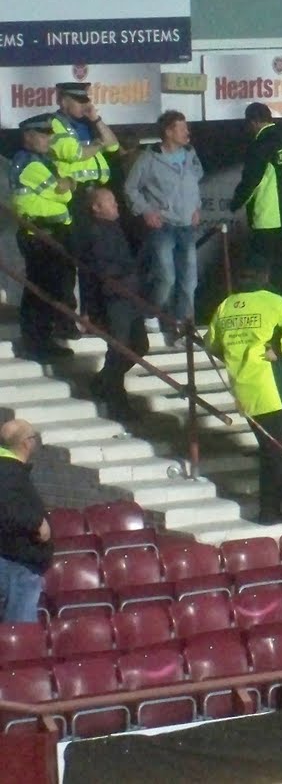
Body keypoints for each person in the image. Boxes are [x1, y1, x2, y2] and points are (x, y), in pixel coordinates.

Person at [205, 267, 282, 524]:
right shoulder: (271, 300)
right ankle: (281, 505)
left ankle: (274, 507)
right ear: (264, 278)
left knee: (269, 449)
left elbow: (211, 344)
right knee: (275, 449)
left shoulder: (225, 306)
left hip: (243, 388)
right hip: (271, 384)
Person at [71, 188, 147, 422]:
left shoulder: (114, 227)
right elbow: (96, 270)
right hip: (112, 299)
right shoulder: (92, 232)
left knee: (139, 346)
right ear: (96, 207)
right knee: (120, 349)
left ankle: (103, 381)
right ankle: (116, 402)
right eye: (111, 203)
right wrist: (86, 310)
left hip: (129, 297)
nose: (117, 206)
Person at [125, 110, 203, 330]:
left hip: (187, 225)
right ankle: (151, 313)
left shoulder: (190, 154)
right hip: (163, 227)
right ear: (169, 132)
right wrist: (146, 211)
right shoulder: (148, 159)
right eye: (182, 128)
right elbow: (131, 189)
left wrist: (196, 206)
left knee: (189, 280)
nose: (187, 132)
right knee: (166, 277)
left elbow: (194, 181)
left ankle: (184, 325)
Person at [10, 113, 75, 361]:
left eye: (51, 135)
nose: (49, 139)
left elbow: (63, 188)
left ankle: (43, 338)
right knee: (41, 291)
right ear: (28, 136)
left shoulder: (42, 161)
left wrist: (65, 184)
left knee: (49, 289)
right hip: (38, 235)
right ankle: (36, 342)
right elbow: (63, 193)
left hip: (49, 234)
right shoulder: (30, 163)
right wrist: (66, 185)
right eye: (44, 135)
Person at [230, 102, 282, 289]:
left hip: (268, 218)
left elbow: (251, 180)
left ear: (253, 122)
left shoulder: (260, 145)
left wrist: (235, 203)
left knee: (260, 270)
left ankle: (264, 309)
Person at [0, 419, 50, 623]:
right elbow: (8, 509)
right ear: (26, 443)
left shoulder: (10, 469)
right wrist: (37, 523)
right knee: (21, 631)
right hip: (19, 562)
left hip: (17, 560)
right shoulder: (8, 472)